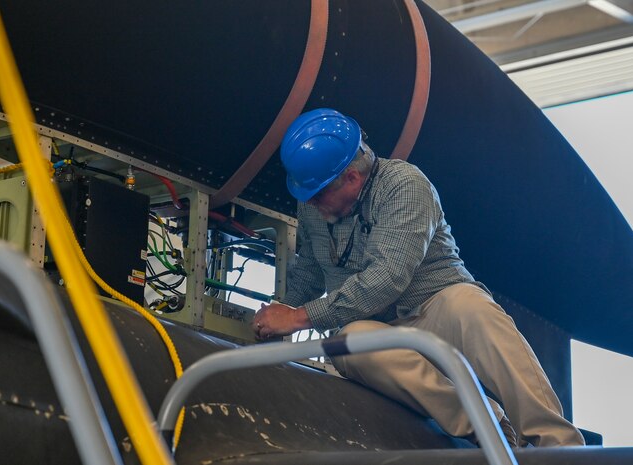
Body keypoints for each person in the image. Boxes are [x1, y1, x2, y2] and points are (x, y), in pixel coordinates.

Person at [251, 108, 585, 448]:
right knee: (349, 343)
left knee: (471, 308)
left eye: (318, 194)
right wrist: (279, 314)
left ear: (352, 178)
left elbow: (387, 278)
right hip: (376, 326)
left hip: (435, 307)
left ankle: (559, 446)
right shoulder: (312, 205)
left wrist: (298, 318)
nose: (311, 204)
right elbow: (309, 269)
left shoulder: (405, 185)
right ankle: (489, 425)